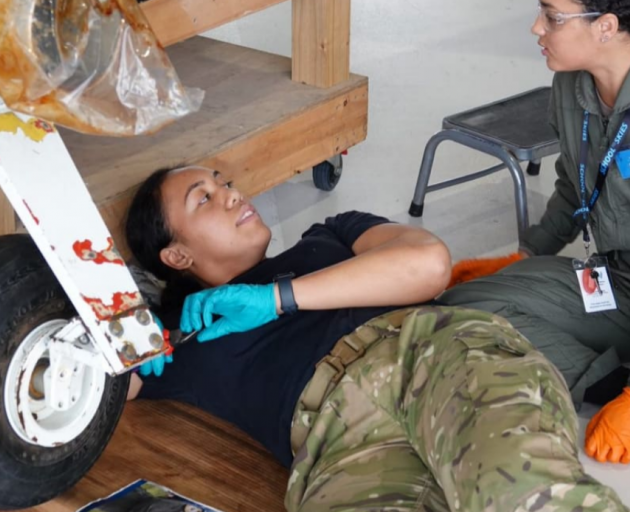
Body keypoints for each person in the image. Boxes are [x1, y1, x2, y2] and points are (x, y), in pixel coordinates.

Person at [124, 165, 627, 511]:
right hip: (339, 442)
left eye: (224, 181)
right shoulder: (182, 338)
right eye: (205, 199)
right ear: (177, 257)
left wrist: (277, 298)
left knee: (521, 494)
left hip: (433, 357)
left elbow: (428, 265)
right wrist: (126, 340)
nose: (232, 193)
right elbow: (71, 391)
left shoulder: (332, 234)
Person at [442, 0, 630, 465]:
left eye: (552, 16)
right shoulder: (569, 87)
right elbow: (574, 186)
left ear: (606, 27)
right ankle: (608, 381)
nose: (535, 27)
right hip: (618, 279)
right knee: (464, 303)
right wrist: (527, 256)